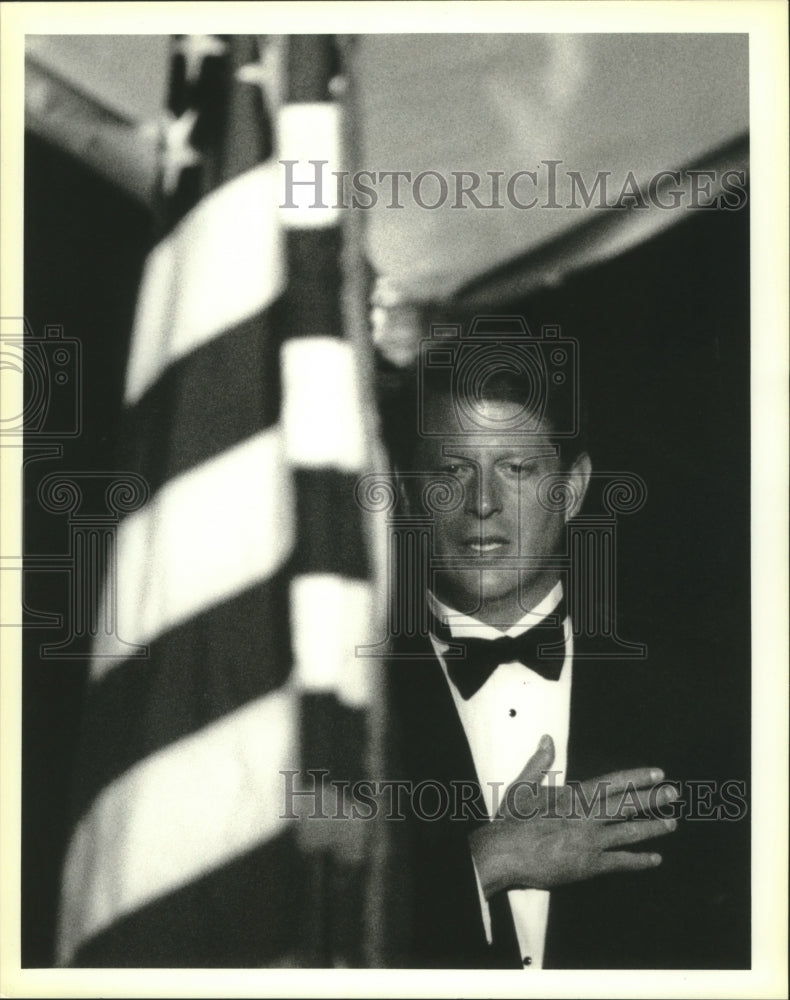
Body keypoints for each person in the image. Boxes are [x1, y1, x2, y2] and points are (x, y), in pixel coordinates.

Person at [378, 320, 747, 969]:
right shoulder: (345, 713)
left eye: (517, 469)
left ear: (571, 490)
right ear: (410, 490)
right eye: (453, 469)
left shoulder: (704, 701)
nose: (482, 503)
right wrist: (485, 862)